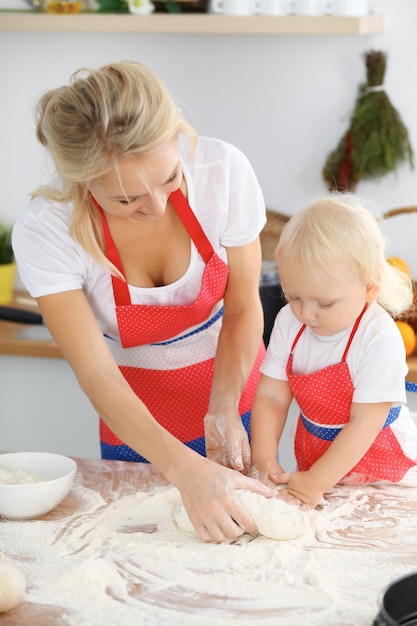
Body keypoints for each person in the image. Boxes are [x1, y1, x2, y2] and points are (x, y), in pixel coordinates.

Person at [12, 60, 275, 543]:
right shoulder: (47, 229)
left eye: (170, 177)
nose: (155, 207)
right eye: (126, 199)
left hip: (235, 387)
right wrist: (183, 467)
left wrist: (223, 409)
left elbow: (242, 308)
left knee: (262, 539)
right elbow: (96, 373)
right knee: (153, 547)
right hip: (137, 414)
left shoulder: (223, 172)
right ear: (82, 184)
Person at [249, 195, 417, 508]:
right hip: (320, 463)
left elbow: (364, 423)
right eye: (293, 296)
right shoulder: (289, 322)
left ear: (369, 288)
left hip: (385, 473)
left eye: (324, 303)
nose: (306, 314)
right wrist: (264, 460)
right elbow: (272, 396)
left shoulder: (379, 338)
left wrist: (314, 482)